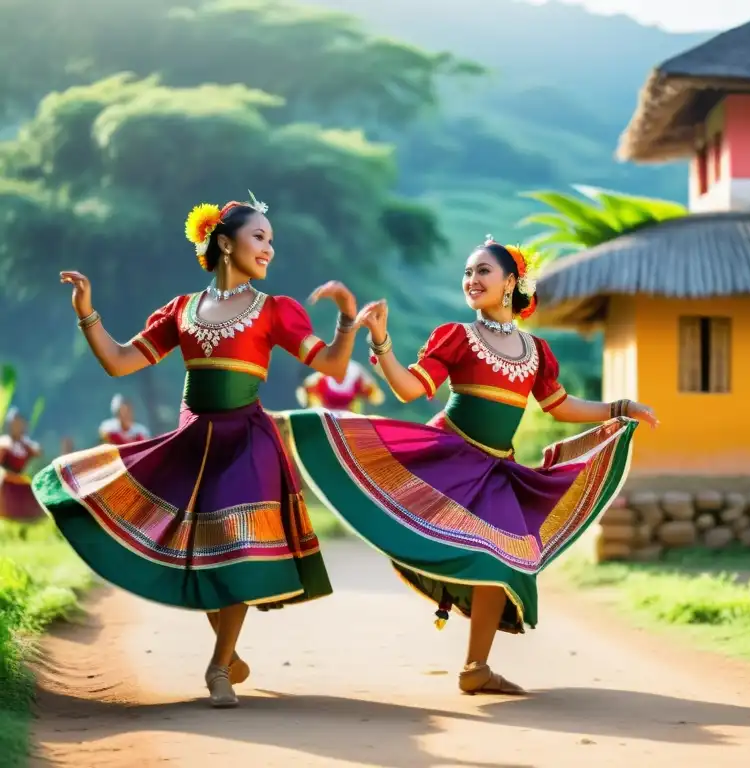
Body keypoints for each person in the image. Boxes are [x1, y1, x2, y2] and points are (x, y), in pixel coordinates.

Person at [285, 237, 658, 695]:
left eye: (482, 271)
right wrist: (381, 340)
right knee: (485, 553)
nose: (472, 280)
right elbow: (407, 389)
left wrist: (618, 407)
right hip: (449, 458)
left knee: (503, 559)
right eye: (467, 272)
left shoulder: (536, 350)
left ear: (510, 283)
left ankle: (476, 668)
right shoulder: (457, 337)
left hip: (498, 471)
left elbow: (559, 406)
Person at [32, 193, 359, 708]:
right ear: (225, 244)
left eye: (272, 241)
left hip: (248, 439)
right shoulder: (181, 311)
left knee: (235, 541)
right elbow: (120, 363)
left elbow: (333, 368)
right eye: (259, 237)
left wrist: (346, 319)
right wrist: (86, 313)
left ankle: (217, 666)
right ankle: (229, 654)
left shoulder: (276, 311)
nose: (269, 248)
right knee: (208, 551)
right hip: (193, 438)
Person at [0, 408, 46, 522]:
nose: (17, 427)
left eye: (20, 424)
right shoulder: (4, 442)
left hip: (21, 482)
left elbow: (38, 451)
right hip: (6, 483)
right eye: (15, 424)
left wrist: (24, 443)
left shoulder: (26, 443)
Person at [295, 360, 385, 415]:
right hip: (324, 418)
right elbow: (304, 393)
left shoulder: (356, 371)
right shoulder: (323, 373)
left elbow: (375, 396)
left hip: (350, 420)